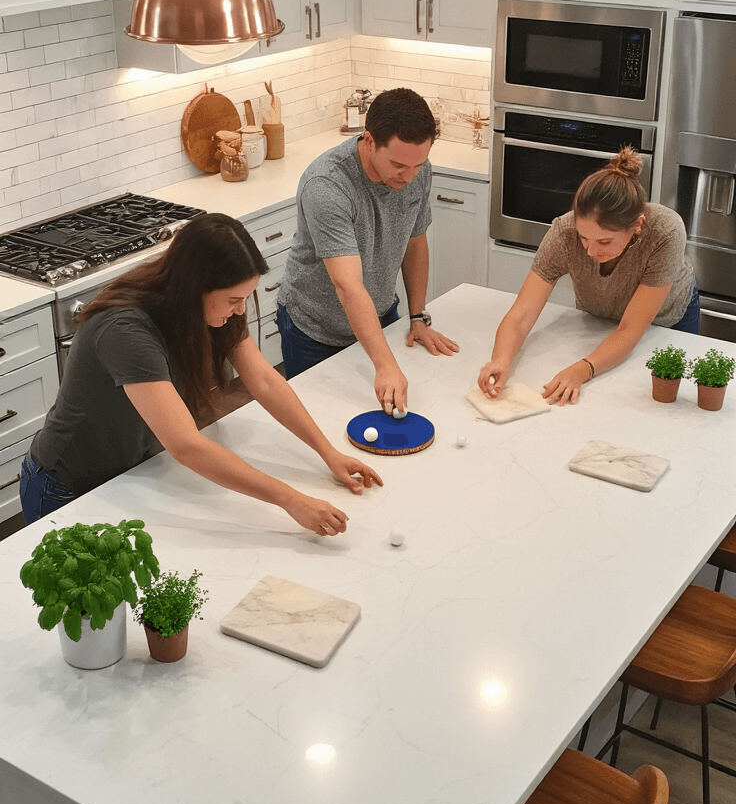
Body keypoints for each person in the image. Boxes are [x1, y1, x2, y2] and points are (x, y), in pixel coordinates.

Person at [20, 214, 381, 534]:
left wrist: (327, 452)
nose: (240, 311)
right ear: (195, 287)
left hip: (130, 471)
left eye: (245, 298)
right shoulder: (125, 329)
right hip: (65, 486)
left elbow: (266, 380)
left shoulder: (209, 311)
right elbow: (186, 445)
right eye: (233, 300)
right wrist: (291, 500)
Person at [277, 87, 459, 414]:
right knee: (323, 424)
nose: (410, 176)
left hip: (380, 313)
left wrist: (418, 317)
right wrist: (385, 364)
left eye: (419, 165)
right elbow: (347, 285)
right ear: (370, 141)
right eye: (399, 165)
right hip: (315, 331)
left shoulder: (416, 167)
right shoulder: (327, 185)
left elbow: (415, 241)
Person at [478, 147, 699, 407]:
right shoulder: (563, 232)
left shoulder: (665, 231)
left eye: (604, 241)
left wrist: (581, 370)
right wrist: (501, 360)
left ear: (637, 225)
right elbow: (521, 314)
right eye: (584, 238)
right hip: (601, 317)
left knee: (659, 406)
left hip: (667, 322)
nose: (591, 251)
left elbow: (630, 329)